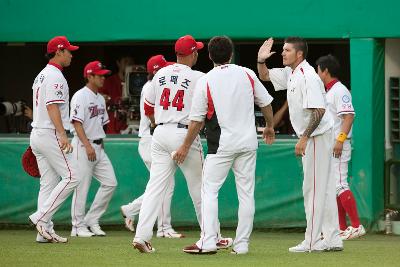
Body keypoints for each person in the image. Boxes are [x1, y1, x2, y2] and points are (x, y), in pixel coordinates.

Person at [174, 36, 275, 255]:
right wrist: (269, 126)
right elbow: (266, 102)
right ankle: (242, 245)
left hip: (221, 145)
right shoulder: (247, 73)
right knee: (246, 194)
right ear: (231, 54)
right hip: (247, 142)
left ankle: (209, 241)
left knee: (209, 191)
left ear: (209, 56)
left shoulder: (206, 80)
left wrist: (184, 145)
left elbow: (197, 120)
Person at [132, 35, 232, 253]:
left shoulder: (159, 74)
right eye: (196, 50)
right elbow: (210, 111)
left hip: (159, 133)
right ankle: (212, 237)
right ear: (193, 54)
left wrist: (158, 124)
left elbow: (148, 108)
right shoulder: (199, 77)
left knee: (154, 187)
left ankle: (141, 236)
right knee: (201, 189)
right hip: (183, 134)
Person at [257, 37, 343, 252]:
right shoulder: (291, 73)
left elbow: (319, 110)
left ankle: (312, 241)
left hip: (317, 136)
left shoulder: (308, 76)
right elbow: (265, 75)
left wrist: (303, 138)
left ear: (300, 55)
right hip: (318, 136)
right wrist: (260, 59)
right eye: (283, 50)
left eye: (287, 50)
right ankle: (332, 239)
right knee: (323, 189)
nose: (283, 53)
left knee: (312, 189)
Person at [120, 55, 184, 238]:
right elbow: (152, 115)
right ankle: (163, 228)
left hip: (152, 140)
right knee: (165, 184)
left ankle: (132, 210)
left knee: (161, 184)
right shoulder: (152, 86)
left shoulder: (155, 84)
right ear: (156, 70)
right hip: (151, 140)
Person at [28, 36, 80, 243]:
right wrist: (62, 134)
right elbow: (52, 107)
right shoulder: (55, 76)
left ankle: (44, 232)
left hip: (38, 133)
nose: (71, 54)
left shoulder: (41, 75)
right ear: (58, 52)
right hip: (50, 133)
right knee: (73, 176)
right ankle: (41, 217)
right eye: (68, 51)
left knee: (48, 184)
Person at [316, 54, 365, 240]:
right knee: (334, 185)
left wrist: (340, 139)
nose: (317, 72)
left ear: (325, 70)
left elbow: (349, 116)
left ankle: (356, 225)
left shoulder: (339, 90)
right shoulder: (328, 91)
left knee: (340, 183)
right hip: (332, 144)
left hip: (338, 145)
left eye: (318, 69)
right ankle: (342, 227)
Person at [69, 61, 118, 237]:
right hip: (83, 146)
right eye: (99, 75)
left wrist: (99, 146)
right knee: (81, 187)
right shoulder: (80, 96)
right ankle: (77, 226)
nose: (103, 78)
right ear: (89, 76)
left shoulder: (100, 97)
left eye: (103, 75)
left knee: (110, 183)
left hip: (98, 146)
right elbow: (76, 123)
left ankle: (91, 219)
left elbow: (102, 124)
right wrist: (88, 145)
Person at [99, 56, 134, 134]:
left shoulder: (137, 82)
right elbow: (96, 97)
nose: (128, 65)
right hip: (114, 128)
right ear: (118, 63)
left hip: (133, 127)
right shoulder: (108, 82)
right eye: (125, 62)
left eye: (131, 63)